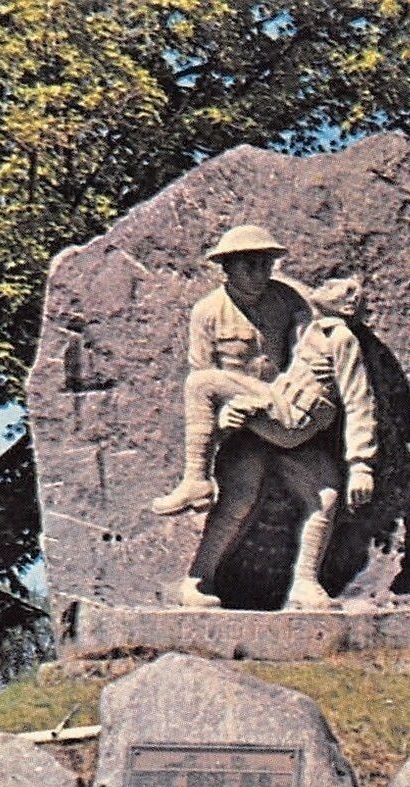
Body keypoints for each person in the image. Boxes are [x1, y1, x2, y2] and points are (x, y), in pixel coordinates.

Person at [159, 226, 375, 611]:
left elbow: (309, 363)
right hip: (241, 429)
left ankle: (306, 584)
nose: (259, 274)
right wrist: (226, 421)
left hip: (284, 412)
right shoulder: (207, 312)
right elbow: (203, 382)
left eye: (266, 264)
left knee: (325, 494)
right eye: (249, 265)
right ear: (226, 267)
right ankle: (198, 571)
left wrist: (360, 462)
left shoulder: (289, 302)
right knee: (237, 496)